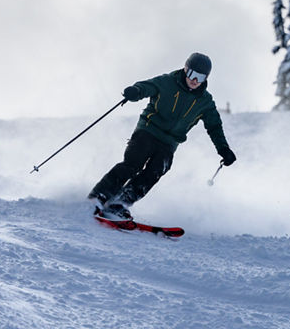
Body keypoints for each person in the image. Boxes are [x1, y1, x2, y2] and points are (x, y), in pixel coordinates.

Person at [89, 52, 236, 220]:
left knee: (156, 170)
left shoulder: (205, 102)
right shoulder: (168, 82)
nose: (194, 80)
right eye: (192, 74)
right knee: (133, 163)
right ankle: (100, 195)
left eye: (200, 77)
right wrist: (135, 91)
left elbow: (214, 127)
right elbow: (147, 86)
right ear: (186, 69)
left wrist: (223, 149)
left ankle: (121, 202)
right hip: (148, 130)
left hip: (170, 142)